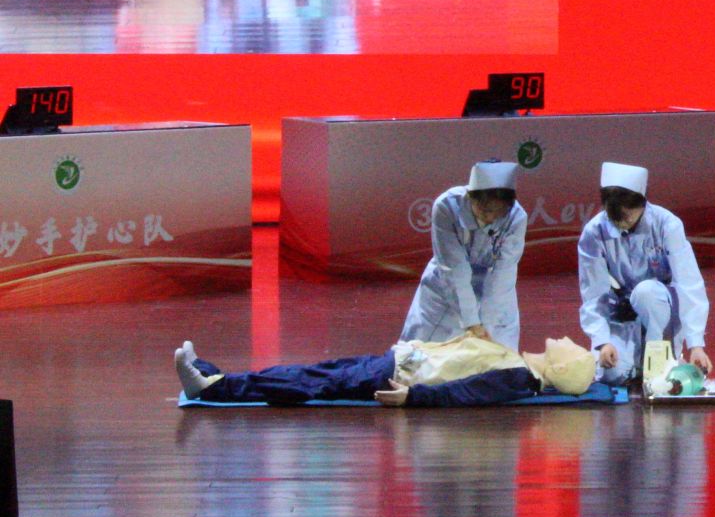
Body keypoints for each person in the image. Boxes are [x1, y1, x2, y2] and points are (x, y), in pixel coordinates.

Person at [173, 334, 597, 407]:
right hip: (398, 363)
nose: (566, 337)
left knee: (305, 382)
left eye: (572, 347)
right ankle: (210, 375)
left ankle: (210, 387)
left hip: (398, 376)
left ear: (560, 366)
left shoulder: (516, 377)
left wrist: (414, 397)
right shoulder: (518, 368)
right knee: (309, 375)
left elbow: (465, 392)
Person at [577, 161, 712, 385]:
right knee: (611, 374)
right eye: (614, 218)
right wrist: (602, 341)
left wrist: (696, 344)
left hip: (660, 305)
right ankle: (636, 359)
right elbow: (593, 292)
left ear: (642, 203)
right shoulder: (594, 232)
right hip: (621, 311)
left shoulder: (667, 224)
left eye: (627, 217)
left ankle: (663, 355)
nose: (622, 225)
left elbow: (689, 283)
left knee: (645, 292)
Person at [400, 160, 529, 348]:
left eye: (498, 212)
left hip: (494, 290)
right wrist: (472, 323)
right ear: (471, 197)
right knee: (421, 352)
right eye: (485, 211)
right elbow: (454, 268)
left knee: (499, 351)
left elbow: (503, 273)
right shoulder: (447, 206)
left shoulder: (516, 217)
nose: (491, 218)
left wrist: (488, 325)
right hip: (446, 288)